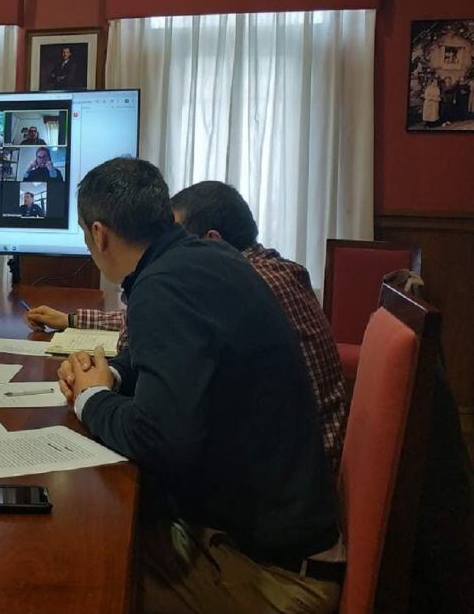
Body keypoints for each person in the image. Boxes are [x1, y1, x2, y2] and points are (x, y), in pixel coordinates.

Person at [48, 159, 341, 613]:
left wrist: (91, 398)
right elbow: (179, 365)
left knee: (74, 575)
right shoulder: (208, 259)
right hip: (283, 539)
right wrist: (113, 372)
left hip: (274, 576)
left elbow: (159, 438)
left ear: (99, 234)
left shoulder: (162, 287)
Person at [27, 179, 348, 475]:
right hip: (289, 466)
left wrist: (92, 394)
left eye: (173, 235)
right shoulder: (258, 270)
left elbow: (159, 436)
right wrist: (106, 365)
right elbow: (158, 332)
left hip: (276, 487)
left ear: (212, 241)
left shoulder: (234, 281)